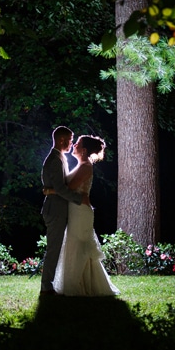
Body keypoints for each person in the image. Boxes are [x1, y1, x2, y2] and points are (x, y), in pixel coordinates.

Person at [49, 135, 120, 297]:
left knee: (78, 245)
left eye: (78, 144)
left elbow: (70, 188)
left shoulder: (86, 166)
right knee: (75, 244)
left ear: (84, 150)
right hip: (76, 209)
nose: (74, 145)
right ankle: (83, 283)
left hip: (81, 211)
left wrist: (50, 190)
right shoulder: (81, 165)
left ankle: (78, 285)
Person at [40, 126, 85, 296]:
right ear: (61, 140)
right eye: (70, 140)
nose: (72, 144)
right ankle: (46, 286)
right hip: (55, 210)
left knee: (56, 248)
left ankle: (49, 284)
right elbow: (59, 188)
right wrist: (79, 199)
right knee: (54, 248)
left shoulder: (58, 158)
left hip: (57, 208)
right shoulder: (55, 160)